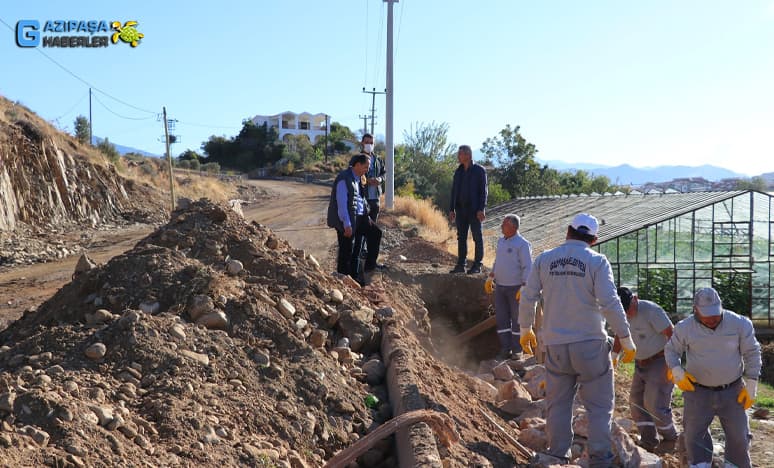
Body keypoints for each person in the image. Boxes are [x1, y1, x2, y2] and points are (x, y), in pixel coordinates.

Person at [518, 213, 636, 467]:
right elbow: (610, 302)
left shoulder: (545, 259)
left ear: (568, 232)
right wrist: (625, 337)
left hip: (556, 346)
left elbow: (528, 296)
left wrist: (525, 328)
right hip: (590, 345)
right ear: (594, 239)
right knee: (599, 406)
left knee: (558, 403)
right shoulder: (597, 262)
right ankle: (599, 459)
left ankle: (557, 453)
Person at [664, 287, 761, 468]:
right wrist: (677, 370)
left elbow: (752, 353)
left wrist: (752, 383)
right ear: (695, 310)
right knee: (694, 435)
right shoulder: (684, 328)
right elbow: (671, 350)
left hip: (732, 391)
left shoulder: (740, 324)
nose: (712, 319)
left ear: (721, 307)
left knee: (739, 436)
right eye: (706, 315)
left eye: (715, 314)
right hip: (698, 391)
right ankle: (700, 464)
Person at [614, 287, 678, 451]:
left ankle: (671, 437)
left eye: (629, 309)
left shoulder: (651, 311)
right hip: (640, 363)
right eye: (624, 311)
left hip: (659, 360)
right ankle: (649, 441)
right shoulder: (618, 312)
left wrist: (673, 363)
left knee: (654, 404)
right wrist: (614, 356)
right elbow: (618, 334)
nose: (627, 314)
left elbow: (671, 334)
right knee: (636, 402)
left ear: (635, 299)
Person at [326, 154, 382, 284]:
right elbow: (342, 203)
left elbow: (360, 200)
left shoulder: (359, 178)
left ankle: (366, 271)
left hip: (361, 217)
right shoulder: (344, 179)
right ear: (357, 165)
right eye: (365, 167)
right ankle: (343, 280)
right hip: (347, 219)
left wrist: (366, 213)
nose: (367, 170)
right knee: (346, 250)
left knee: (375, 234)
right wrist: (347, 224)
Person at [484, 214, 532, 360]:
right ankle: (505, 349)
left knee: (517, 320)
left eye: (504, 224)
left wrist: (524, 285)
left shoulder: (522, 244)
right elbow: (498, 261)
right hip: (500, 287)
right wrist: (491, 276)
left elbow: (528, 266)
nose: (501, 226)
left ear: (513, 226)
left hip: (515, 288)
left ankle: (517, 350)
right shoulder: (501, 241)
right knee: (502, 319)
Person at [449, 145, 487, 274]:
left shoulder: (479, 170)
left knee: (477, 237)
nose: (458, 157)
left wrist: (481, 209)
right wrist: (451, 209)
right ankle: (461, 264)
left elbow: (483, 192)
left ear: (468, 155)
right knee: (461, 237)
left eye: (460, 154)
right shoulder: (458, 171)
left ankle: (477, 265)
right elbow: (454, 191)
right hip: (460, 209)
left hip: (475, 210)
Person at [360, 133, 385, 223]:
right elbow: (353, 175)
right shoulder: (357, 159)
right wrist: (366, 181)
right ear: (362, 143)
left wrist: (380, 179)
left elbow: (384, 173)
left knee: (373, 225)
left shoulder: (378, 159)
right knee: (362, 225)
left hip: (375, 197)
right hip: (362, 197)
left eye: (371, 143)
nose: (369, 145)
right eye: (367, 142)